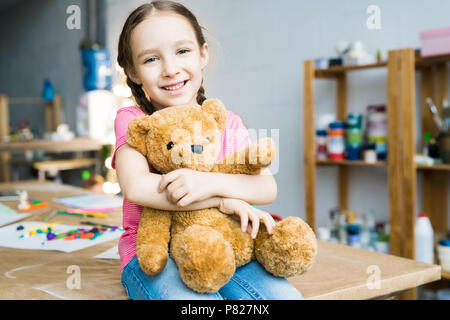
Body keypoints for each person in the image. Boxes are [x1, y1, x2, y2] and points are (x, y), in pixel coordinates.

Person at [113, 0, 303, 300]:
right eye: (151, 59)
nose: (171, 69)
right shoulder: (135, 121)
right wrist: (224, 200)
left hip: (224, 242)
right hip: (152, 251)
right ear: (133, 72)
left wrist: (207, 183)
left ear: (203, 54)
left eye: (182, 51)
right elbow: (137, 186)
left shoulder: (227, 122)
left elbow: (266, 186)